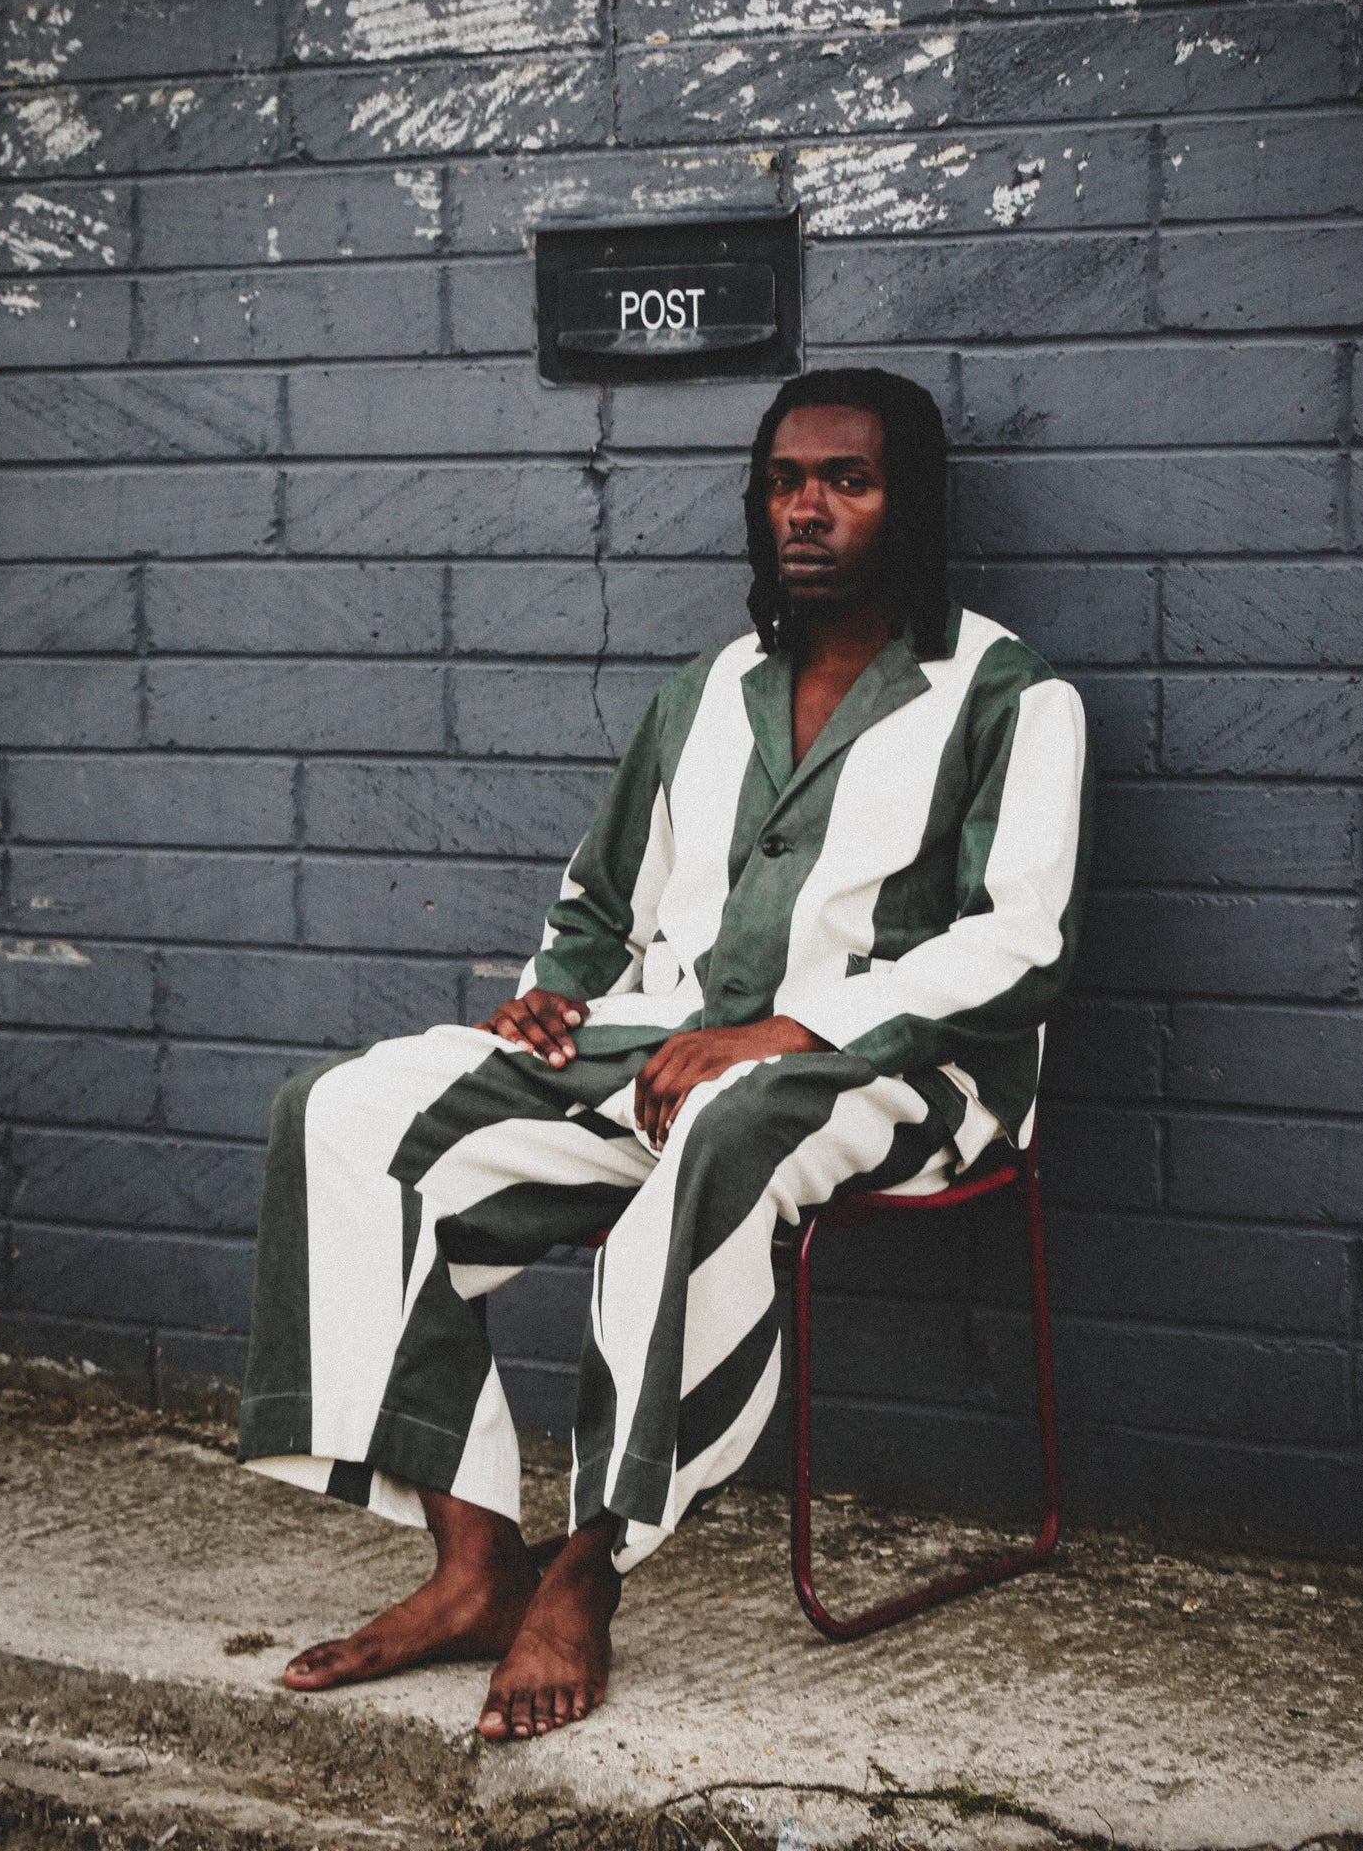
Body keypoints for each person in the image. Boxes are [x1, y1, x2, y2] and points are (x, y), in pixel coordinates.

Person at [235, 365, 1092, 1742]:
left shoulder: (1008, 696)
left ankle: (588, 1568)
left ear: (912, 504)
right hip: (662, 1051)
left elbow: (1022, 943)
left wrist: (791, 1030)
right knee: (339, 1112)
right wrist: (549, 1000)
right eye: (783, 483)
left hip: (902, 1078)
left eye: (848, 483)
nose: (806, 511)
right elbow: (596, 900)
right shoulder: (705, 691)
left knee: (729, 1127)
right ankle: (471, 1562)